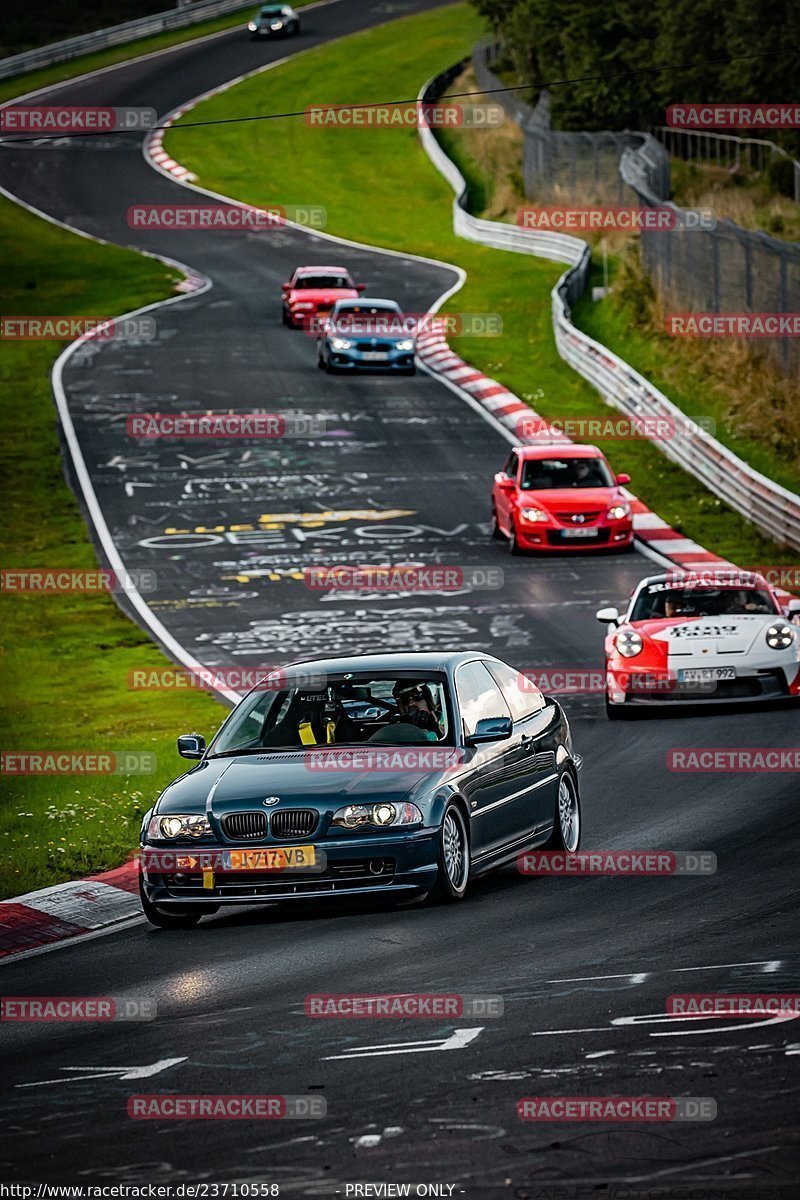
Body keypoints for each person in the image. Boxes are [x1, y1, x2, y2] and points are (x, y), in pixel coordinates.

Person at [367, 681, 441, 744]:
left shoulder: (447, 719)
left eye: (417, 696)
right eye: (404, 700)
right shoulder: (395, 729)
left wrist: (435, 728)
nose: (411, 703)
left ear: (427, 697)